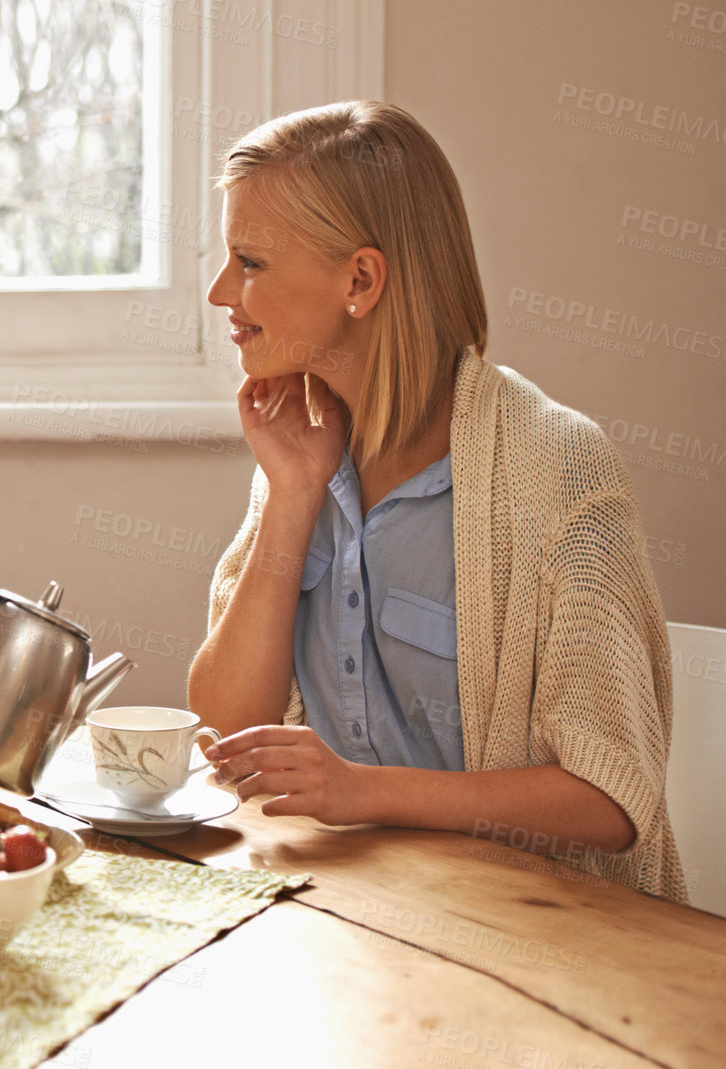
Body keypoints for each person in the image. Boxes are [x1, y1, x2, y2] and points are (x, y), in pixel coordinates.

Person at [188, 101, 685, 901]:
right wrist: (292, 495)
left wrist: (361, 792)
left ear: (360, 279)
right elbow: (227, 727)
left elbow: (612, 794)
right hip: (346, 910)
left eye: (250, 262)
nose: (221, 293)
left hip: (543, 931)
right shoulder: (306, 455)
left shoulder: (557, 469)